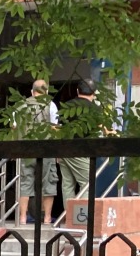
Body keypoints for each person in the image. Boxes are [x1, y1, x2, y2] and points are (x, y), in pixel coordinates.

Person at [17, 79, 59, 224]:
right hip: (46, 149)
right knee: (49, 182)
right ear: (46, 92)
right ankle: (47, 218)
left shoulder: (21, 105)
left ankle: (22, 217)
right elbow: (55, 128)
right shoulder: (51, 105)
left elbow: (14, 127)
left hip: (26, 150)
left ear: (31, 92)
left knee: (25, 182)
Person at [58, 79, 101, 205]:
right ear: (94, 93)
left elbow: (59, 128)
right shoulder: (95, 109)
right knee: (87, 183)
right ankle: (81, 218)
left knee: (67, 185)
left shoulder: (67, 106)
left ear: (77, 91)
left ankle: (68, 216)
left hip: (64, 149)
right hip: (82, 150)